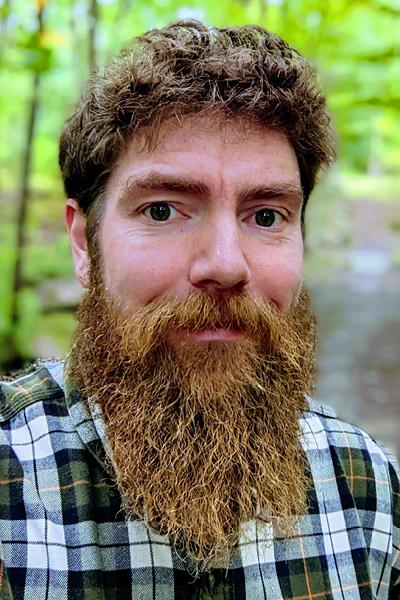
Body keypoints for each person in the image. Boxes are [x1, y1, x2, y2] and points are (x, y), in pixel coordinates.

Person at [0, 20, 399, 599]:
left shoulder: (367, 493)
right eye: (163, 210)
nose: (225, 264)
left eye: (267, 216)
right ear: (85, 243)